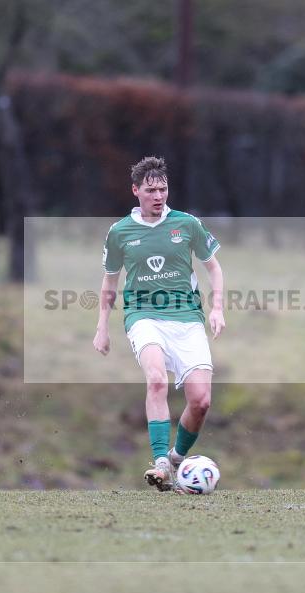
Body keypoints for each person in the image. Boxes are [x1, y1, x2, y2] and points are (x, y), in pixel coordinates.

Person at [93, 156, 225, 492]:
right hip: (143, 316)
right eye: (151, 190)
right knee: (155, 380)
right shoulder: (120, 232)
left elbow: (213, 268)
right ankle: (160, 463)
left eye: (163, 189)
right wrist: (102, 328)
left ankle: (177, 458)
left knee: (201, 401)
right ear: (136, 190)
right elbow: (110, 283)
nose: (158, 195)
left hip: (187, 318)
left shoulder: (187, 224)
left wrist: (217, 308)